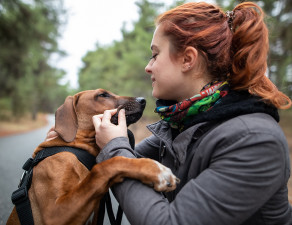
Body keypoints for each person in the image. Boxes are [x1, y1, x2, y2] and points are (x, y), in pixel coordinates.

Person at [51, 2, 292, 224]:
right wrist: (65, 144)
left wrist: (115, 146)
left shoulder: (254, 141)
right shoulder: (183, 125)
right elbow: (122, 162)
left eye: (155, 54)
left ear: (188, 59)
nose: (148, 66)